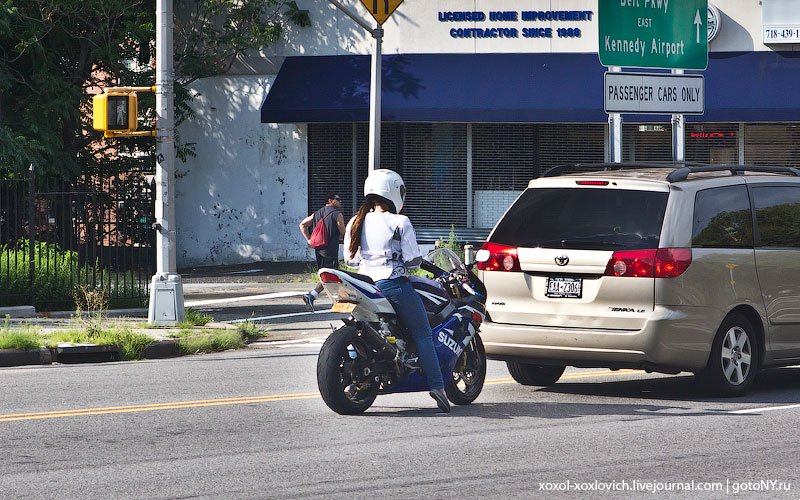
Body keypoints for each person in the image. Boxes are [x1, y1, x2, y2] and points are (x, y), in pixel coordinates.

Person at [343, 169, 450, 413]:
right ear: (394, 192)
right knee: (423, 333)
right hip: (392, 284)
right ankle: (438, 387)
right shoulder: (400, 222)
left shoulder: (355, 221)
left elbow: (350, 261)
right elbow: (413, 261)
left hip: (363, 284)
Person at [299, 192, 346, 311]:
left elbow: (302, 225)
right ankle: (312, 295)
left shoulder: (317, 213)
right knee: (331, 275)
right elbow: (343, 232)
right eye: (338, 199)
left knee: (328, 275)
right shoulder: (337, 214)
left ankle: (335, 298)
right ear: (330, 200)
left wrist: (309, 240)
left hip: (319, 249)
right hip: (330, 250)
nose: (340, 202)